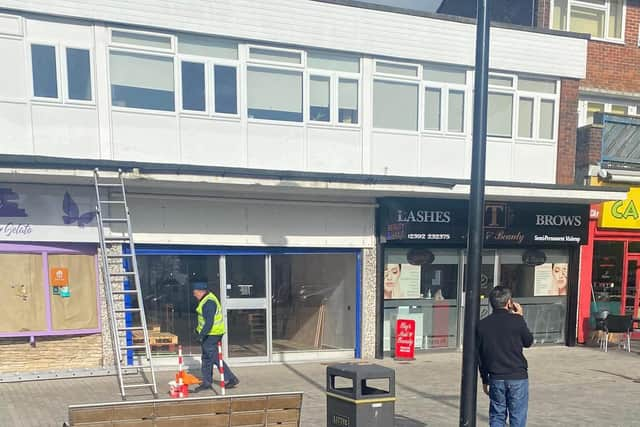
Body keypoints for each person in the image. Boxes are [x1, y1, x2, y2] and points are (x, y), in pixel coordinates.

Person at [477, 286, 534, 427]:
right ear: (509, 302)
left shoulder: (482, 325)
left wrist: (485, 379)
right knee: (517, 416)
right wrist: (520, 317)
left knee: (497, 415)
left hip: (496, 377)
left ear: (491, 303)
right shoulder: (517, 321)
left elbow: (480, 356)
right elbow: (528, 342)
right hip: (517, 376)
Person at [191, 281, 240, 392]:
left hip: (213, 333)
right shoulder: (206, 299)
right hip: (210, 333)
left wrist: (201, 335)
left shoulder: (209, 302)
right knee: (207, 358)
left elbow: (209, 322)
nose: (194, 295)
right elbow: (204, 321)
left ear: (200, 292)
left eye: (195, 292)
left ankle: (231, 378)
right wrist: (198, 331)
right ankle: (207, 382)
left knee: (213, 357)